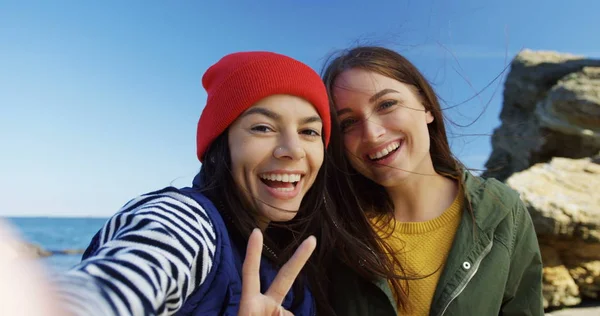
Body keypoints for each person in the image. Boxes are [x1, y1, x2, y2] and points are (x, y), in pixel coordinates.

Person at [54, 51, 337, 316]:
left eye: (309, 131)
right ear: (219, 146)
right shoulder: (185, 221)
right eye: (262, 127)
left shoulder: (294, 250)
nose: (293, 149)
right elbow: (114, 287)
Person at [321, 46, 544, 316]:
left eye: (386, 104)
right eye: (348, 123)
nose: (372, 133)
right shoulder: (332, 229)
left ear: (426, 105)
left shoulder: (501, 210)